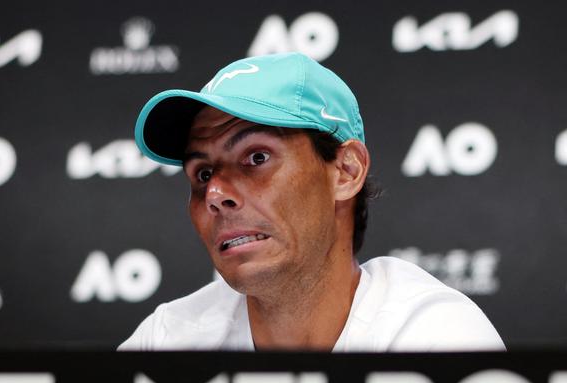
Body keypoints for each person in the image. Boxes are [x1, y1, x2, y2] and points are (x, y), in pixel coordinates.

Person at [119, 52, 505, 352]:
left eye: (256, 158)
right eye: (202, 174)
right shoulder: (168, 342)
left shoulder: (436, 339)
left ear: (346, 171)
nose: (216, 195)